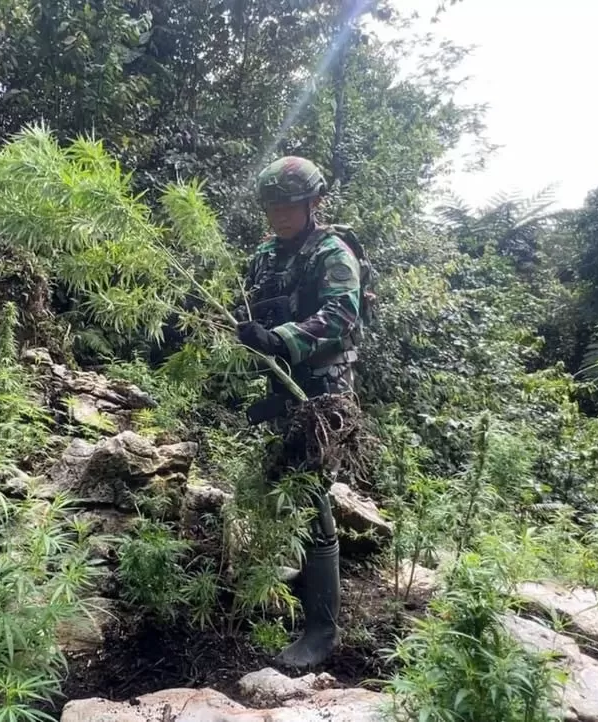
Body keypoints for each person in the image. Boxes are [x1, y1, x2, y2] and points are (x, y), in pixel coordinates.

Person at [233, 155, 363, 670]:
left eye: (287, 205)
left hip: (323, 392)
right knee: (279, 485)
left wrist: (281, 338)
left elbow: (340, 314)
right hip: (283, 390)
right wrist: (247, 331)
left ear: (313, 204)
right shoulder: (266, 255)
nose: (278, 215)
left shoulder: (333, 253)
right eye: (271, 206)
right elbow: (251, 308)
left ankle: (322, 631)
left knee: (311, 499)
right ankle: (299, 585)